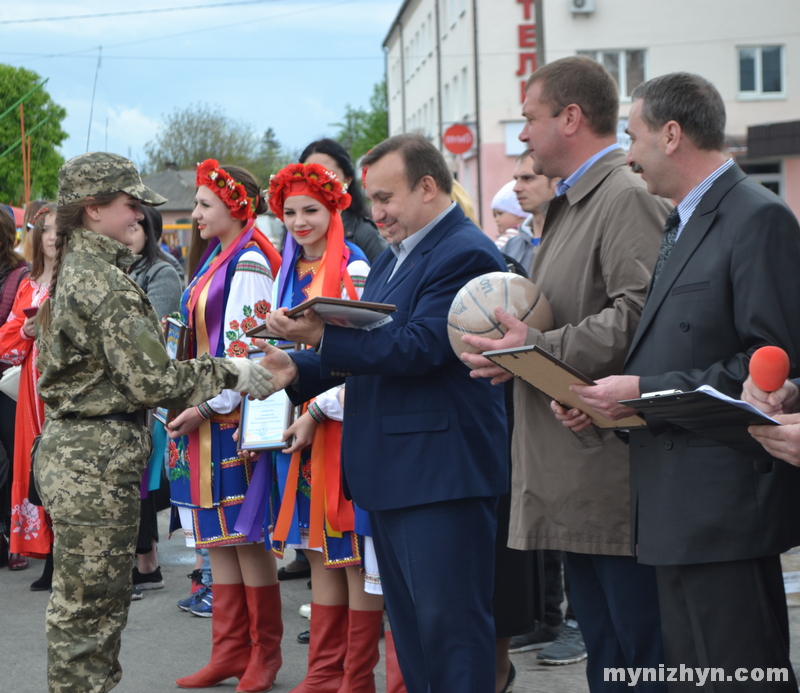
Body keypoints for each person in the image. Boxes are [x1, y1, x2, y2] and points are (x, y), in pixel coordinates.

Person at [561, 72, 800, 690]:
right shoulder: (681, 220)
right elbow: (683, 348)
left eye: (632, 137)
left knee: (741, 677)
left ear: (671, 135)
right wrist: (617, 406)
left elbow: (769, 365)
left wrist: (639, 390)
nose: (628, 152)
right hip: (674, 505)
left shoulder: (756, 217)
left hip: (724, 511)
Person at [259, 133, 508, 693]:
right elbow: (380, 349)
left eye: (386, 198)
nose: (377, 214)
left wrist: (322, 336)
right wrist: (299, 367)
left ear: (427, 186)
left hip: (440, 475)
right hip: (405, 473)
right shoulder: (408, 253)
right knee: (418, 637)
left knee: (450, 636)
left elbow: (419, 346)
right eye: (371, 200)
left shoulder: (463, 251)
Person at [461, 56, 670, 692]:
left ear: (571, 117)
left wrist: (540, 347)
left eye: (529, 118)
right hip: (577, 470)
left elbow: (644, 317)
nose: (521, 134)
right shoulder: (575, 201)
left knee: (641, 657)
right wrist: (519, 356)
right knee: (610, 655)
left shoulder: (624, 197)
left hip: (609, 473)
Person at [33, 151, 275, 693]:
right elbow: (154, 382)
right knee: (90, 616)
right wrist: (233, 371)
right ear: (93, 209)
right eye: (128, 204)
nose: (138, 215)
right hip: (94, 462)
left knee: (84, 608)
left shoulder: (78, 268)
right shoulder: (105, 283)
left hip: (80, 454)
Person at [262, 160, 383, 693]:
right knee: (318, 551)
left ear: (335, 208)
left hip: (342, 420)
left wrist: (317, 410)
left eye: (310, 209)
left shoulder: (354, 267)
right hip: (302, 423)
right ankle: (322, 673)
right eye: (289, 212)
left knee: (351, 554)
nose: (298, 221)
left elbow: (365, 357)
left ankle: (354, 679)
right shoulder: (288, 273)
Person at [167, 159, 283, 692]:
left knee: (245, 538)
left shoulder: (251, 262)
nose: (193, 214)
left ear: (236, 208)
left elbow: (248, 354)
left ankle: (264, 654)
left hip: (232, 421)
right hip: (211, 418)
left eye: (203, 204)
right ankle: (229, 650)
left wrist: (206, 408)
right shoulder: (221, 257)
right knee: (219, 539)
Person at [126, 204, 183, 598]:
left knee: (142, 474)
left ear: (149, 229)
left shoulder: (162, 272)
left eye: (134, 227)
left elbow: (148, 331)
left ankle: (147, 562)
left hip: (149, 391)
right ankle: (142, 561)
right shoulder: (115, 269)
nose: (126, 233)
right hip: (122, 386)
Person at [0, 203, 56, 590]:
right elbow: (8, 339)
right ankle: (47, 552)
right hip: (30, 389)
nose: (53, 236)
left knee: (59, 467)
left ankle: (61, 557)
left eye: (60, 229)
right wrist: (28, 331)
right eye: (46, 229)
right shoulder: (28, 282)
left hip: (61, 387)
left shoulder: (75, 280)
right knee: (33, 467)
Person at [0, 206, 30, 571]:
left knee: (15, 458)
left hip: (8, 380)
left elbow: (19, 324)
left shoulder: (20, 274)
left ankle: (15, 537)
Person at [300, 138, 387, 263]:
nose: (317, 183)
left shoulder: (364, 234)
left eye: (327, 175)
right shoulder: (296, 231)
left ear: (347, 179)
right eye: (310, 175)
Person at [502, 153, 558, 274]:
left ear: (556, 183)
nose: (516, 188)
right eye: (516, 179)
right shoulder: (511, 246)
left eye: (527, 178)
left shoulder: (571, 240)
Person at [490, 180, 526, 248]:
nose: (496, 219)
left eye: (500, 214)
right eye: (495, 215)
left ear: (519, 214)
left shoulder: (506, 241)